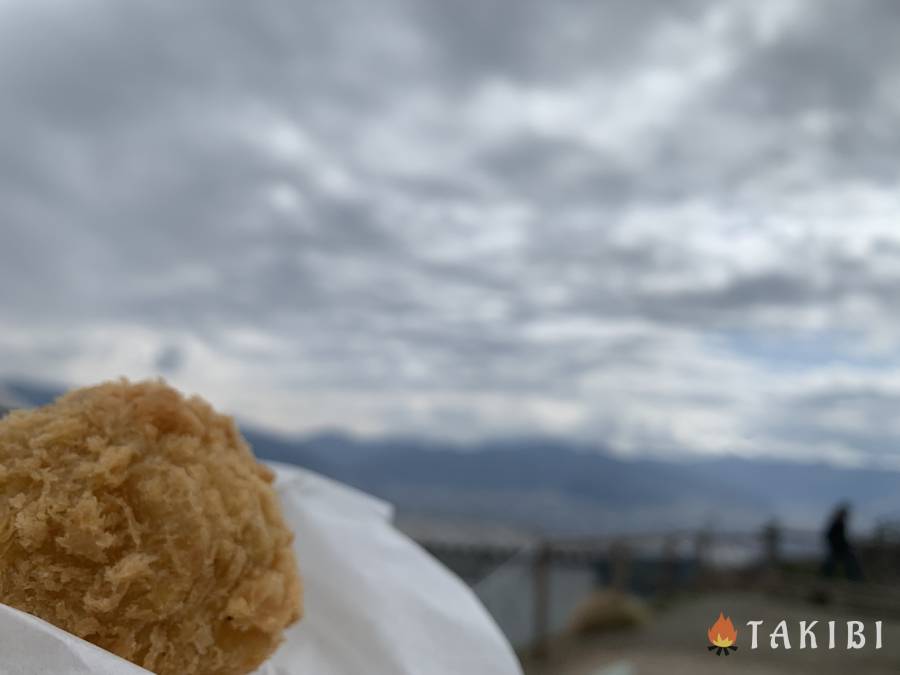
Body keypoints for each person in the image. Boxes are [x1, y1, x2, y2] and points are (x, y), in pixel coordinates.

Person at [822, 503, 863, 581]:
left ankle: (854, 579)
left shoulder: (840, 524)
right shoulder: (837, 524)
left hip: (840, 549)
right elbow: (831, 537)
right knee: (834, 563)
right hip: (837, 549)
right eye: (844, 515)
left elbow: (842, 538)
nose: (845, 517)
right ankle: (854, 579)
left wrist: (847, 546)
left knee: (849, 562)